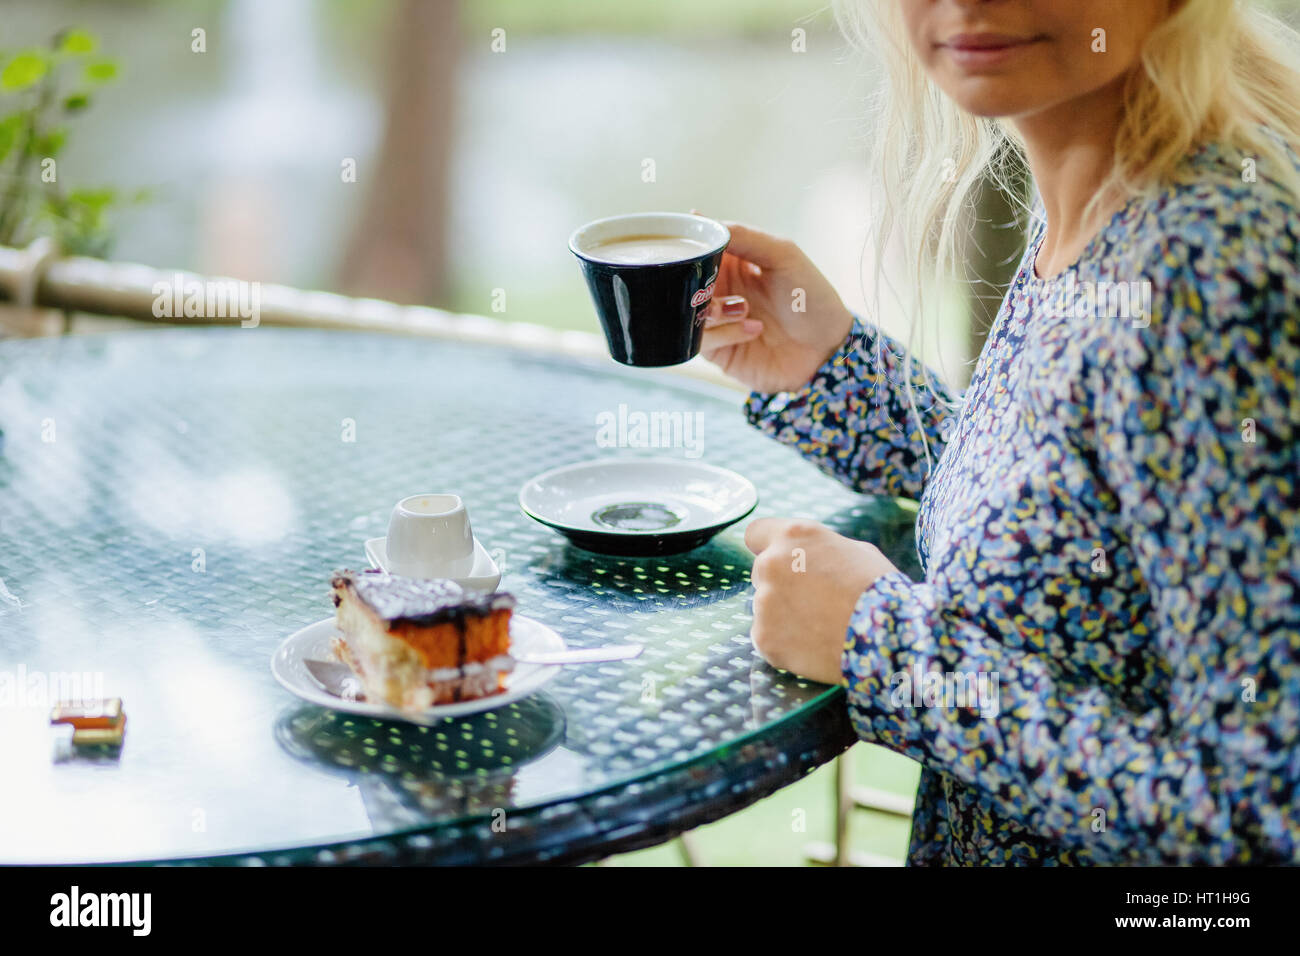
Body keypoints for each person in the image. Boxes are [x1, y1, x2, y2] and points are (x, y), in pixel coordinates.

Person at [701, 0, 1300, 864]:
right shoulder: (1098, 191)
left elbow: (1262, 819)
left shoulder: (1208, 274)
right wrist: (829, 369)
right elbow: (1078, 521)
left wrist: (885, 651)